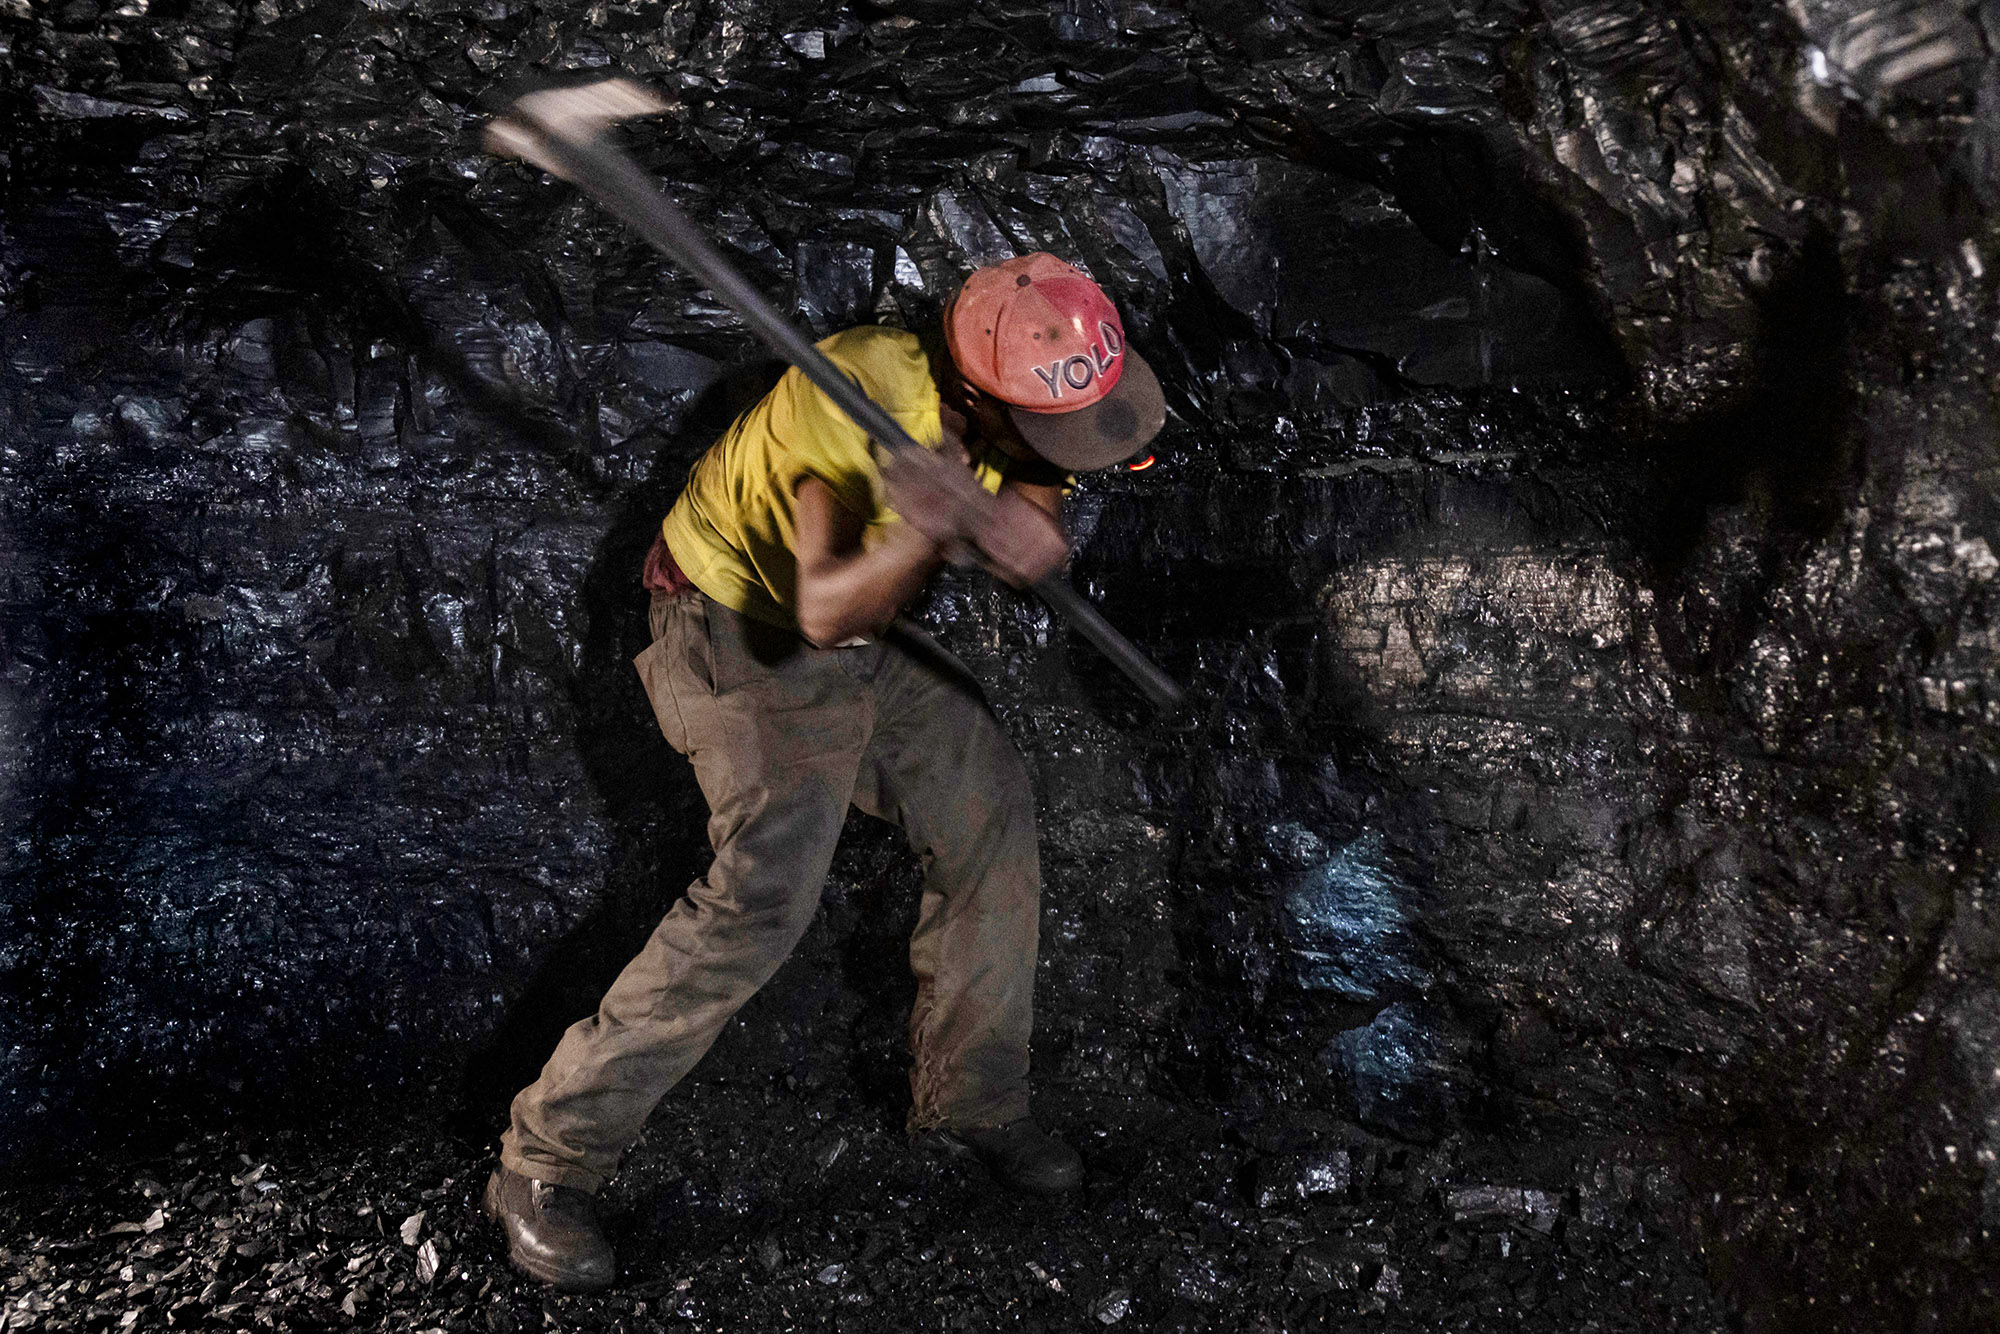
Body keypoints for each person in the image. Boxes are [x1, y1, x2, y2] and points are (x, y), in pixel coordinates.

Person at [482, 253, 1167, 1290]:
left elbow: (1040, 483)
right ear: (977, 394)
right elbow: (828, 610)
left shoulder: (1023, 390)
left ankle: (973, 1103)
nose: (1062, 441)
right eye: (1040, 427)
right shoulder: (853, 400)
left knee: (988, 815)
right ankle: (545, 1161)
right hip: (739, 628)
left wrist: (1023, 522)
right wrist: (929, 525)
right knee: (762, 896)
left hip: (867, 636)